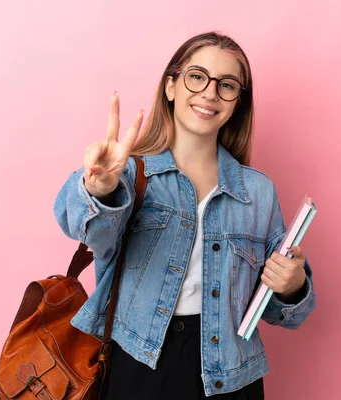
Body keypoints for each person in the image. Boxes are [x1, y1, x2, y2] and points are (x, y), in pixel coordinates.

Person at [54, 31, 316, 400]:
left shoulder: (257, 193)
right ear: (171, 86)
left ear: (237, 102)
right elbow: (83, 227)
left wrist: (292, 287)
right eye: (197, 76)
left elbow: (278, 311)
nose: (210, 92)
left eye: (226, 85)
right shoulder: (128, 174)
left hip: (230, 374)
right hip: (139, 363)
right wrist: (99, 189)